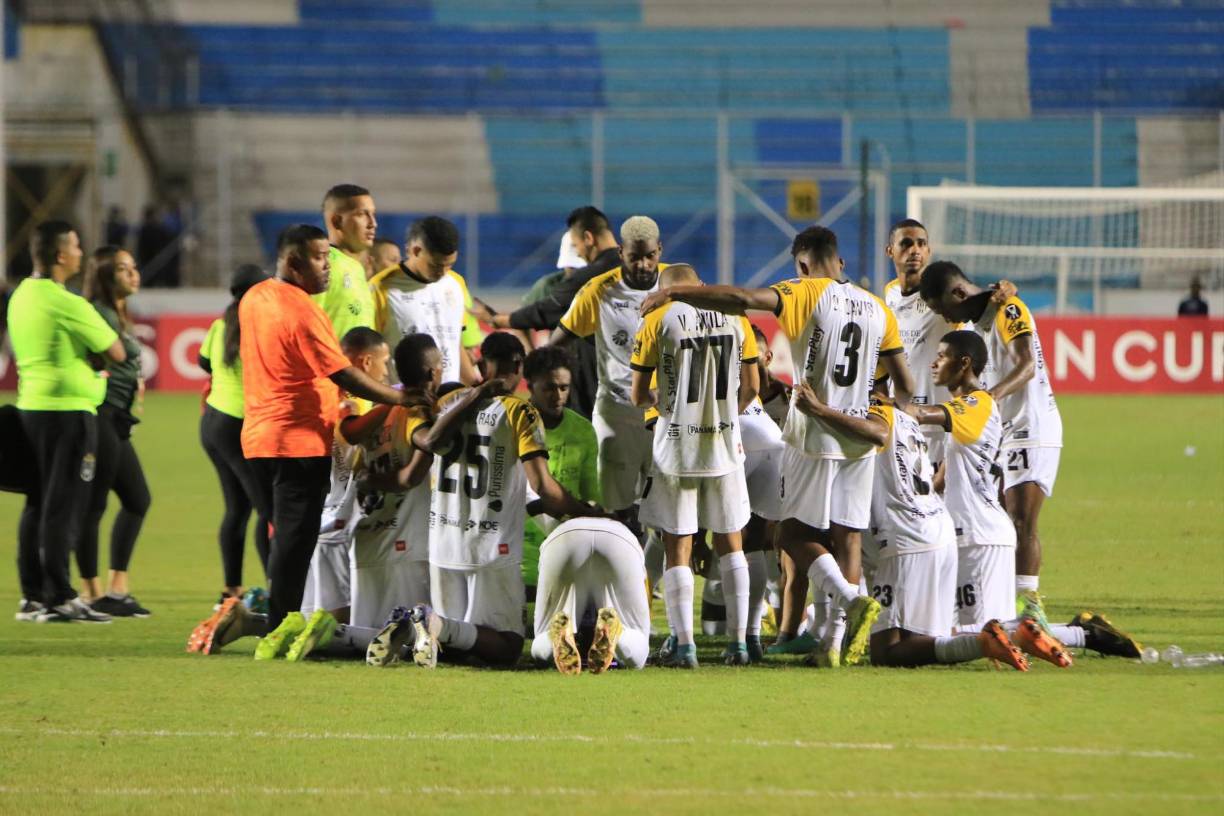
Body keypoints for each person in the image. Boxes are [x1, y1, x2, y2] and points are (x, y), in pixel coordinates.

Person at [638, 225, 915, 666]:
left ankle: (847, 601)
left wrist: (679, 294)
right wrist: (873, 404)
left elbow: (744, 299)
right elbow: (905, 386)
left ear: (802, 264)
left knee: (790, 534)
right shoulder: (880, 308)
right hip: (859, 437)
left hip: (812, 435)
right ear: (837, 259)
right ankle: (832, 645)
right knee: (847, 538)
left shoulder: (804, 291)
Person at [187, 224, 422, 654]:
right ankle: (280, 626)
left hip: (257, 435)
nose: (327, 267)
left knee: (283, 532)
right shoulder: (302, 310)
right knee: (296, 540)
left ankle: (264, 614)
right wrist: (400, 396)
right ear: (293, 262)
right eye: (318, 258)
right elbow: (344, 373)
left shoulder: (255, 298)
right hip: (298, 439)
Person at [791, 376, 1029, 671]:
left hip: (906, 539)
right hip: (938, 530)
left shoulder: (877, 414)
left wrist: (820, 410)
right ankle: (1016, 634)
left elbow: (877, 434)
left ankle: (983, 643)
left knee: (887, 651)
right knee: (929, 639)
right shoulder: (906, 418)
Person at [408, 332, 596, 668]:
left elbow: (428, 444)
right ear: (521, 368)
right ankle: (431, 622)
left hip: (443, 543)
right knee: (508, 646)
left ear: (482, 363)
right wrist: (591, 514)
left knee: (462, 649)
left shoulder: (447, 400)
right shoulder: (520, 411)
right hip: (490, 547)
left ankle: (416, 627)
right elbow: (543, 487)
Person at [906, 331, 1071, 668]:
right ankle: (1079, 634)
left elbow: (922, 415)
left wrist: (884, 408)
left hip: (977, 536)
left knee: (974, 635)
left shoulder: (976, 403)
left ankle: (1069, 634)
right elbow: (947, 474)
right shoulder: (973, 415)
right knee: (979, 630)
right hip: (977, 533)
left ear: (964, 363)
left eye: (942, 355)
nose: (934, 362)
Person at [919, 262, 1063, 631]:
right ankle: (1001, 604)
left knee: (1020, 519)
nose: (945, 318)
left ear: (957, 295)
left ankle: (1030, 607)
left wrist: (989, 398)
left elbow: (1027, 364)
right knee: (995, 518)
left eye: (942, 309)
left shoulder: (1009, 309)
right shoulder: (975, 323)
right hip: (1003, 429)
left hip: (1031, 428)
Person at [629, 264, 759, 667]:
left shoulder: (655, 319)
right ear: (701, 287)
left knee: (677, 545)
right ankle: (738, 644)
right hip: (723, 445)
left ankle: (684, 645)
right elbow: (753, 387)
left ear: (663, 291)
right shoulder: (735, 318)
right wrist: (726, 416)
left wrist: (665, 401)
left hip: (676, 448)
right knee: (731, 543)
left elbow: (637, 395)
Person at [7, 221, 126, 623]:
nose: (80, 251)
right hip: (68, 413)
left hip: (30, 407)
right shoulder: (67, 302)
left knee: (38, 502)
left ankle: (32, 596)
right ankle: (60, 596)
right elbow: (115, 349)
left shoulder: (21, 294)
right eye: (76, 245)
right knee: (63, 505)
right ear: (60, 255)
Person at [550, 215, 666, 524]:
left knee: (668, 512)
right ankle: (623, 569)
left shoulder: (678, 283)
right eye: (634, 257)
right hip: (618, 413)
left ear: (660, 251)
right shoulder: (598, 291)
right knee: (617, 510)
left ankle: (655, 571)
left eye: (649, 256)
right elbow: (556, 344)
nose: (642, 264)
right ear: (620, 254)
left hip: (667, 415)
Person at [472, 206, 622, 417]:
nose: (579, 253)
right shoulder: (640, 269)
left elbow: (547, 309)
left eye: (578, 245)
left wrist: (498, 320)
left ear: (588, 238)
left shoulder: (590, 278)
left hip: (597, 376)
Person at [77, 246, 152, 617]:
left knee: (137, 499)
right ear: (106, 277)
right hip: (100, 414)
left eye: (133, 267)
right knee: (94, 505)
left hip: (118, 418)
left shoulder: (119, 314)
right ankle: (90, 593)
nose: (133, 274)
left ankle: (116, 589)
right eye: (124, 269)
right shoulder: (98, 313)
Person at [197, 264, 272, 604]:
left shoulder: (219, 324)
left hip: (213, 422)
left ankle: (230, 591)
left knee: (237, 509)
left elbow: (203, 363)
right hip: (239, 426)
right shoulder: (261, 326)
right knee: (269, 510)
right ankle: (279, 588)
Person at [521, 345, 601, 599]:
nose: (557, 395)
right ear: (530, 385)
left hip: (567, 544)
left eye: (564, 388)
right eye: (549, 388)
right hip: (519, 553)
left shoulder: (583, 430)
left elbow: (591, 493)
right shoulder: (515, 424)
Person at [532, 517, 651, 675]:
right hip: (619, 539)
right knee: (638, 642)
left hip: (563, 536)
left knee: (543, 634)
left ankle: (554, 636)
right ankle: (619, 633)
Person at [370, 216, 478, 385]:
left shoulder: (456, 284)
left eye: (449, 265)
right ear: (416, 251)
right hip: (404, 402)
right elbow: (373, 355)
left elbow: (454, 342)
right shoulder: (380, 289)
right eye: (435, 265)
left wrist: (475, 384)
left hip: (449, 402)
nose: (443, 272)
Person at [316, 184, 377, 338]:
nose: (373, 223)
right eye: (362, 214)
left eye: (373, 214)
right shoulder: (323, 265)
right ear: (337, 221)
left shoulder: (356, 269)